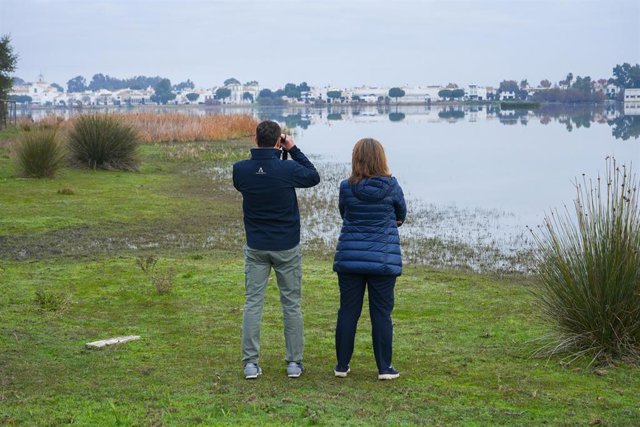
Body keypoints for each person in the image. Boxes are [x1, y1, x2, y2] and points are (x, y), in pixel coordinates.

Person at [233, 120, 320, 379]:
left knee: (252, 304)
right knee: (291, 304)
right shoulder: (288, 169)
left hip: (257, 246)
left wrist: (276, 157)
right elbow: (313, 176)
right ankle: (294, 363)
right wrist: (291, 149)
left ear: (255, 139)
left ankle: (250, 363)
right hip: (286, 246)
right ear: (277, 141)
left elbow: (254, 179)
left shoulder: (240, 170)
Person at [333, 138, 407, 380]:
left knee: (348, 312)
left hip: (350, 259)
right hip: (383, 260)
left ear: (356, 158)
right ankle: (384, 368)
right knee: (381, 314)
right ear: (381, 158)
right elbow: (401, 215)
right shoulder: (392, 186)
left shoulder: (346, 187)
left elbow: (344, 213)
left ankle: (342, 365)